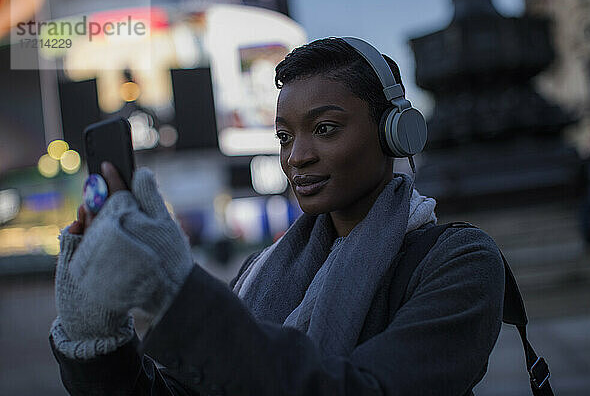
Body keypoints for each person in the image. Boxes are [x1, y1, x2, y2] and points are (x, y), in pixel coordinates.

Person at [50, 37, 505, 395]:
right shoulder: (258, 270)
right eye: (285, 137)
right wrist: (97, 344)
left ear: (396, 132)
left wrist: (179, 296)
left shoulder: (459, 261)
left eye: (325, 129)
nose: (297, 157)